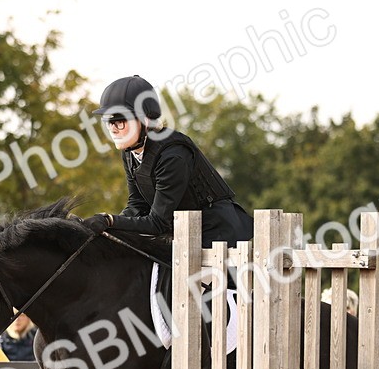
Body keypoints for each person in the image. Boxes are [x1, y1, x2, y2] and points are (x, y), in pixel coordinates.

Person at [80, 75, 254, 248]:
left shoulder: (172, 155)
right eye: (108, 121)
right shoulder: (129, 153)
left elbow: (158, 223)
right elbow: (137, 205)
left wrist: (110, 220)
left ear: (145, 120)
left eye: (119, 121)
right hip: (184, 234)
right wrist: (106, 227)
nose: (113, 129)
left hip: (219, 236)